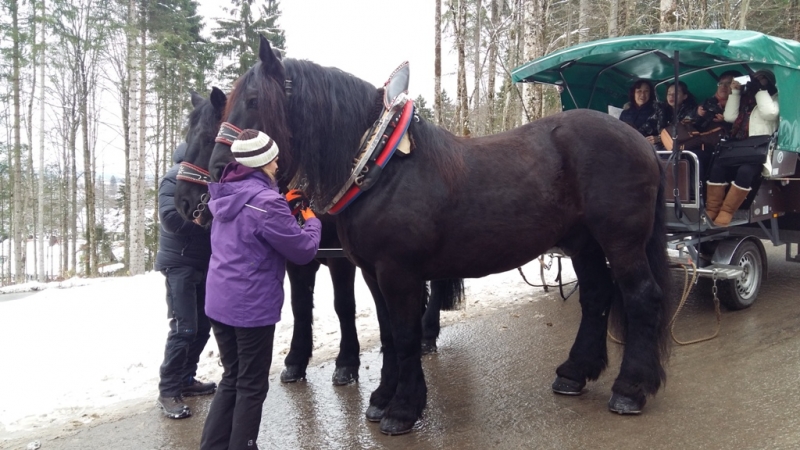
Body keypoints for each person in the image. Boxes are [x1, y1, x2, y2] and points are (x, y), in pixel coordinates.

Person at [200, 129, 322, 450]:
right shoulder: (267, 203)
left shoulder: (224, 193)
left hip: (219, 302)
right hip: (251, 308)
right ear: (262, 161)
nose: (279, 162)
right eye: (274, 156)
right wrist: (309, 218)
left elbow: (253, 228)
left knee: (232, 378)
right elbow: (303, 250)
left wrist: (283, 208)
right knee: (252, 385)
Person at [155, 142, 216, 419]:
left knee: (202, 326)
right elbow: (170, 218)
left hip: (202, 264)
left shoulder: (205, 180)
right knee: (184, 328)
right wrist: (208, 220)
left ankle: (186, 378)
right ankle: (168, 390)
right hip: (179, 264)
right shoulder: (175, 177)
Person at [705, 69, 779, 226]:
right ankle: (712, 208)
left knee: (745, 171)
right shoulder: (746, 98)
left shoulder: (775, 97)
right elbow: (730, 117)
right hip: (738, 145)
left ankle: (727, 211)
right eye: (755, 78)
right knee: (717, 167)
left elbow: (769, 113)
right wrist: (736, 92)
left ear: (770, 81)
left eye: (762, 78)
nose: (757, 80)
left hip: (758, 149)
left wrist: (760, 90)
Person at [619, 79, 667, 146]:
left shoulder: (657, 110)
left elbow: (665, 132)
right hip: (628, 146)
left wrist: (658, 139)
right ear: (633, 93)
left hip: (649, 148)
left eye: (646, 91)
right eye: (639, 91)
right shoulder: (625, 113)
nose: (642, 94)